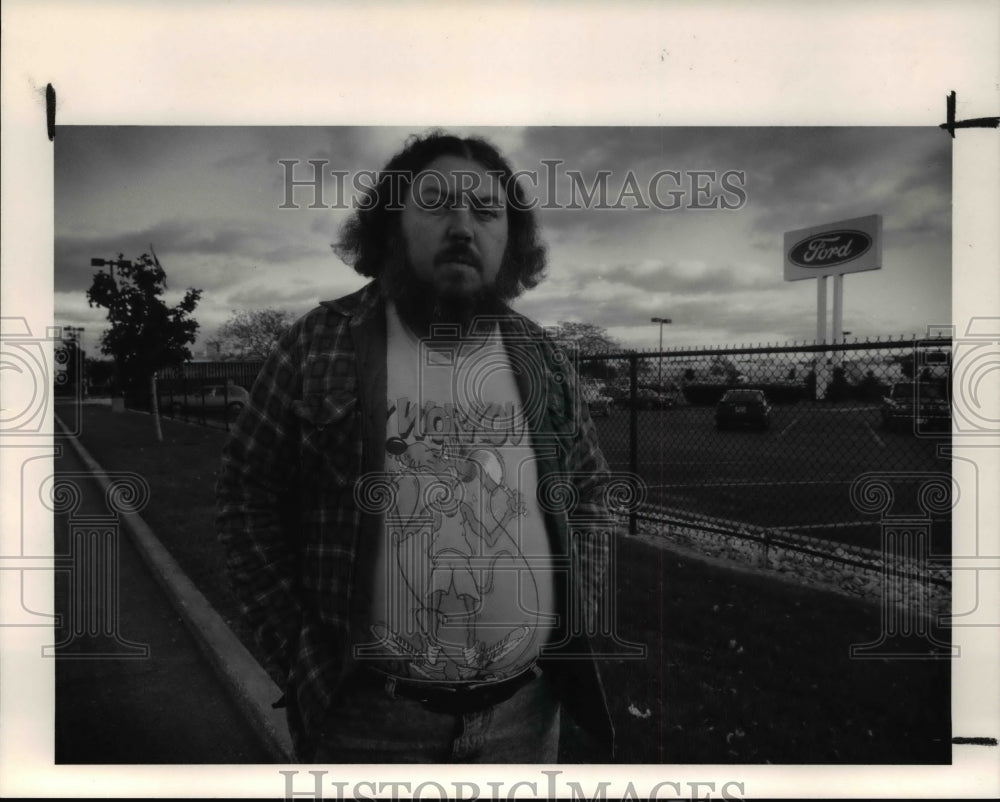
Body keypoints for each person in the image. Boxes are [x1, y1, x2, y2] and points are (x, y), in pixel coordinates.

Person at [217, 131, 619, 763]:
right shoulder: (318, 343)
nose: (464, 225)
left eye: (487, 211)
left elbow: (591, 491)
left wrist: (581, 607)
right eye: (436, 204)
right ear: (391, 226)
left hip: (526, 718)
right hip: (365, 723)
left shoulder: (542, 357)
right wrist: (296, 653)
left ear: (510, 240)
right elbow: (246, 497)